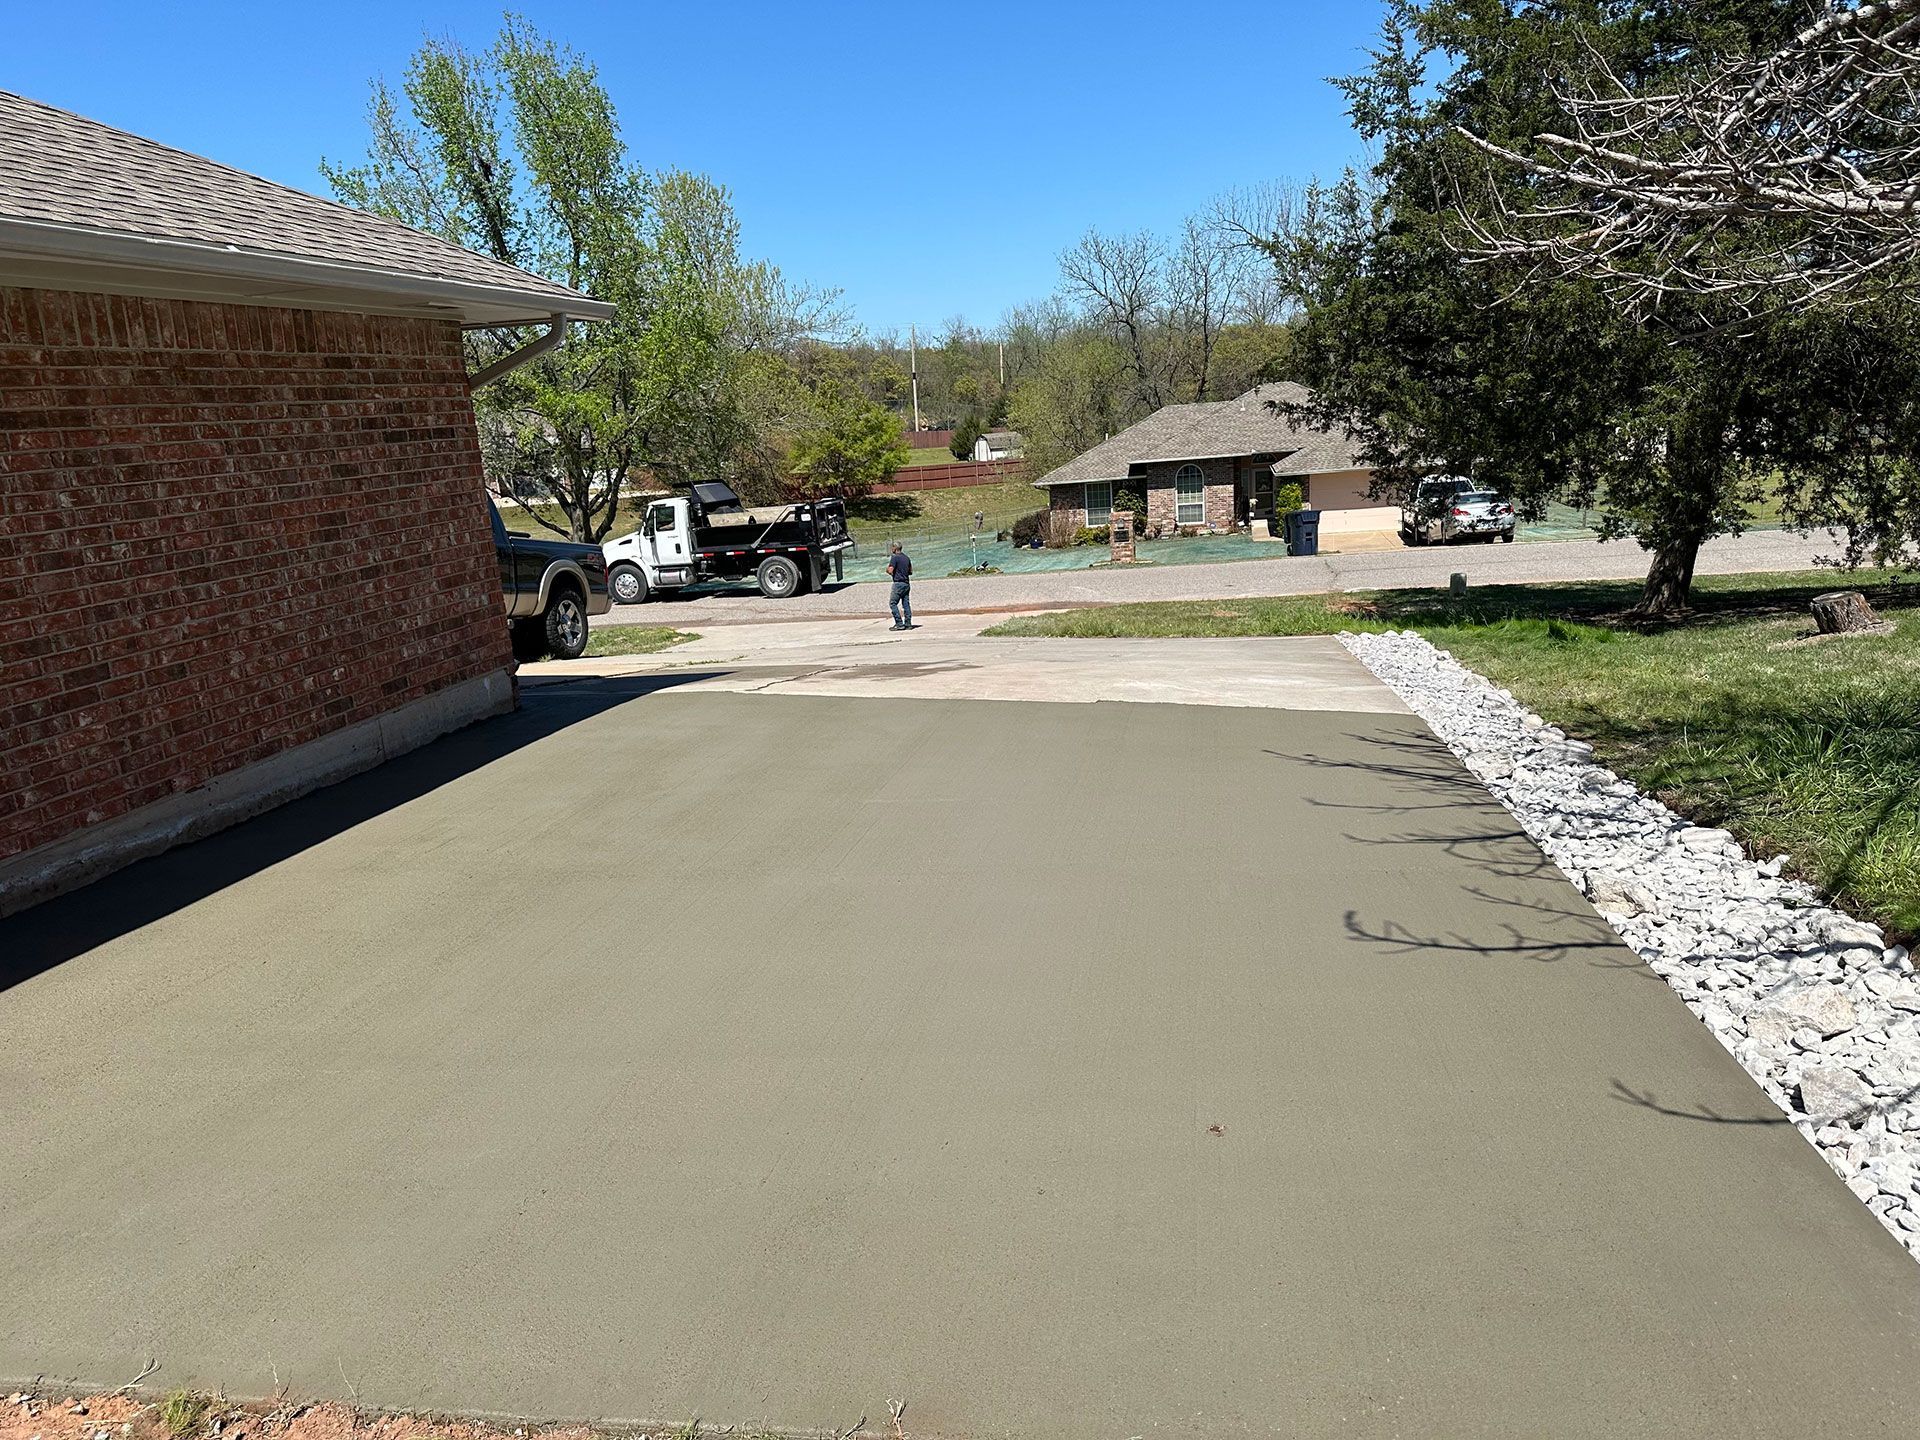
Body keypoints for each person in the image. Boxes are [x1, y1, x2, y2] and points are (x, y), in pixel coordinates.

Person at [886, 542, 914, 630]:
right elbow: (910, 571)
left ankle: (899, 623)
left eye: (892, 547)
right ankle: (908, 623)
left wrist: (888, 570)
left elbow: (890, 570)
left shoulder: (894, 558)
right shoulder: (906, 558)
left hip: (898, 583)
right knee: (906, 604)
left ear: (895, 548)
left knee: (893, 603)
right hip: (906, 583)